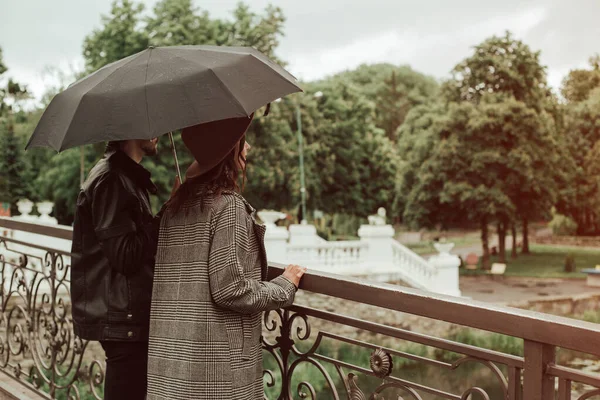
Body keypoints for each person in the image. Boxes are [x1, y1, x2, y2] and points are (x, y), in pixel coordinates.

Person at [147, 115, 306, 400]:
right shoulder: (227, 207)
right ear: (228, 151)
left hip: (174, 361)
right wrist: (284, 286)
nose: (247, 150)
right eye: (242, 143)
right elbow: (230, 289)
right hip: (216, 367)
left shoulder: (173, 207)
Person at [70, 138, 178, 400]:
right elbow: (125, 255)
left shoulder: (123, 176)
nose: (158, 134)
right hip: (123, 316)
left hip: (125, 314)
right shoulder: (112, 180)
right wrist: (170, 209)